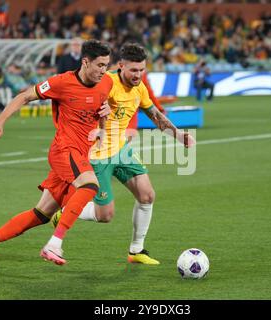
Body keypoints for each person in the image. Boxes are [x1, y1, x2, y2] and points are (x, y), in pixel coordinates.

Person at [0, 40, 113, 275]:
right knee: (90, 185)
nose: (104, 70)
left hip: (79, 153)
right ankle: (54, 244)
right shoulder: (61, 82)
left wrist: (103, 126)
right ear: (85, 62)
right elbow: (24, 96)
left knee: (41, 214)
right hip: (64, 150)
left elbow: (102, 107)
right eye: (100, 65)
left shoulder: (106, 82)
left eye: (107, 65)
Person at [52, 43, 196, 265]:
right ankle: (68, 209)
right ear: (120, 66)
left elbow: (155, 115)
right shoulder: (105, 83)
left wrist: (178, 136)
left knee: (147, 195)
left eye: (142, 70)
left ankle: (136, 250)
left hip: (120, 149)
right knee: (105, 216)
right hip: (97, 156)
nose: (138, 75)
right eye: (133, 70)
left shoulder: (139, 88)